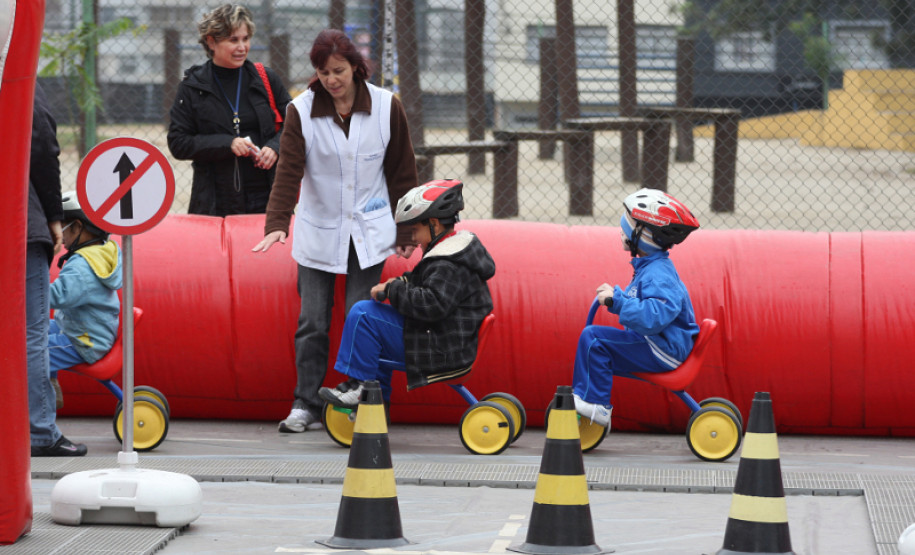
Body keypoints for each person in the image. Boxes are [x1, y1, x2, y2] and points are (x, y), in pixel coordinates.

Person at [252, 28, 418, 433]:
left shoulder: (385, 106)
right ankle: (305, 404)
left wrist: (409, 231)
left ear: (356, 68)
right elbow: (289, 172)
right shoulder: (301, 110)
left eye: (339, 70)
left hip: (370, 231)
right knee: (312, 321)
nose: (332, 80)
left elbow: (401, 172)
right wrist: (277, 223)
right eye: (324, 72)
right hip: (319, 229)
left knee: (362, 317)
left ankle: (368, 403)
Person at [318, 180, 495, 406]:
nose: (413, 238)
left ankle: (360, 385)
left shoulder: (449, 263)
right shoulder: (451, 253)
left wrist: (394, 289)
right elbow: (426, 282)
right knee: (375, 332)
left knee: (363, 314)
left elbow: (431, 303)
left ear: (434, 224)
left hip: (443, 348)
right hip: (448, 339)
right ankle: (375, 403)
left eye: (415, 230)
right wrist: (400, 282)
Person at [571, 188, 700, 430]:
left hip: (664, 349)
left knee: (594, 339)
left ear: (644, 236)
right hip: (659, 343)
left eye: (627, 226)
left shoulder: (658, 274)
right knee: (597, 342)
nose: (621, 231)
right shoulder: (649, 266)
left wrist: (617, 302)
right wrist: (618, 297)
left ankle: (595, 404)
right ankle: (590, 399)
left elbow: (656, 316)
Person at [167, 4, 292, 216]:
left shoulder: (265, 78)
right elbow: (178, 143)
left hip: (266, 196)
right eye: (233, 40)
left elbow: (295, 125)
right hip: (213, 200)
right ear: (211, 41)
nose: (242, 47)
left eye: (246, 39)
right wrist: (228, 144)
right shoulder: (193, 86)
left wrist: (275, 147)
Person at [26, 84, 80, 457]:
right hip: (17, 221)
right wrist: (53, 215)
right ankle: (40, 431)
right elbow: (42, 146)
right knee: (32, 332)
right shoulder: (16, 75)